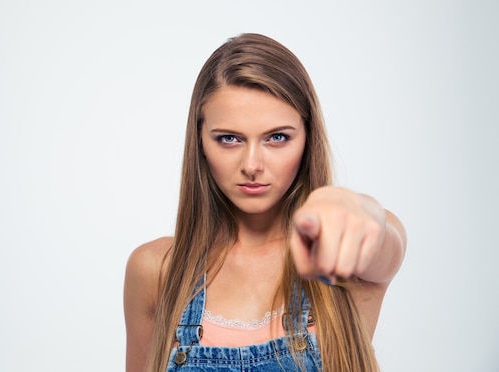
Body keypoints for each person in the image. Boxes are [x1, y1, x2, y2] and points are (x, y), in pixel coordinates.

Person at [123, 33, 407, 372]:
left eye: (277, 137)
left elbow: (381, 238)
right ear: (199, 141)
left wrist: (362, 211)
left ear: (307, 138)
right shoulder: (158, 270)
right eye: (229, 139)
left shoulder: (343, 251)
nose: (252, 165)